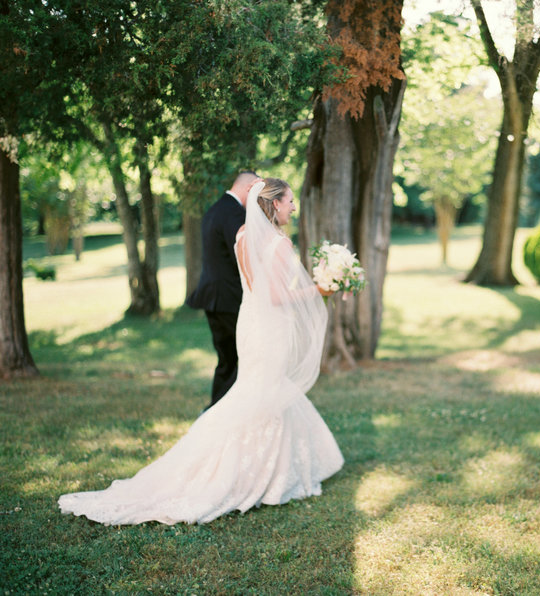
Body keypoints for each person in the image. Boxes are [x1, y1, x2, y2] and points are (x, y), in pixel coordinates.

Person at [58, 178, 344, 525]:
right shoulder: (278, 245)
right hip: (270, 329)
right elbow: (277, 296)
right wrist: (318, 289)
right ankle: (253, 476)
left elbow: (256, 288)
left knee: (258, 393)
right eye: (289, 202)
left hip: (251, 326)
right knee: (261, 396)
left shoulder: (243, 239)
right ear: (274, 205)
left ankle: (277, 472)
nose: (293, 208)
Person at [185, 171, 256, 408]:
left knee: (228, 361)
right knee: (237, 361)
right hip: (227, 299)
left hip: (214, 297)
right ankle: (216, 417)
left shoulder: (215, 209)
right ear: (249, 188)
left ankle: (217, 414)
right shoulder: (235, 214)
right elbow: (242, 256)